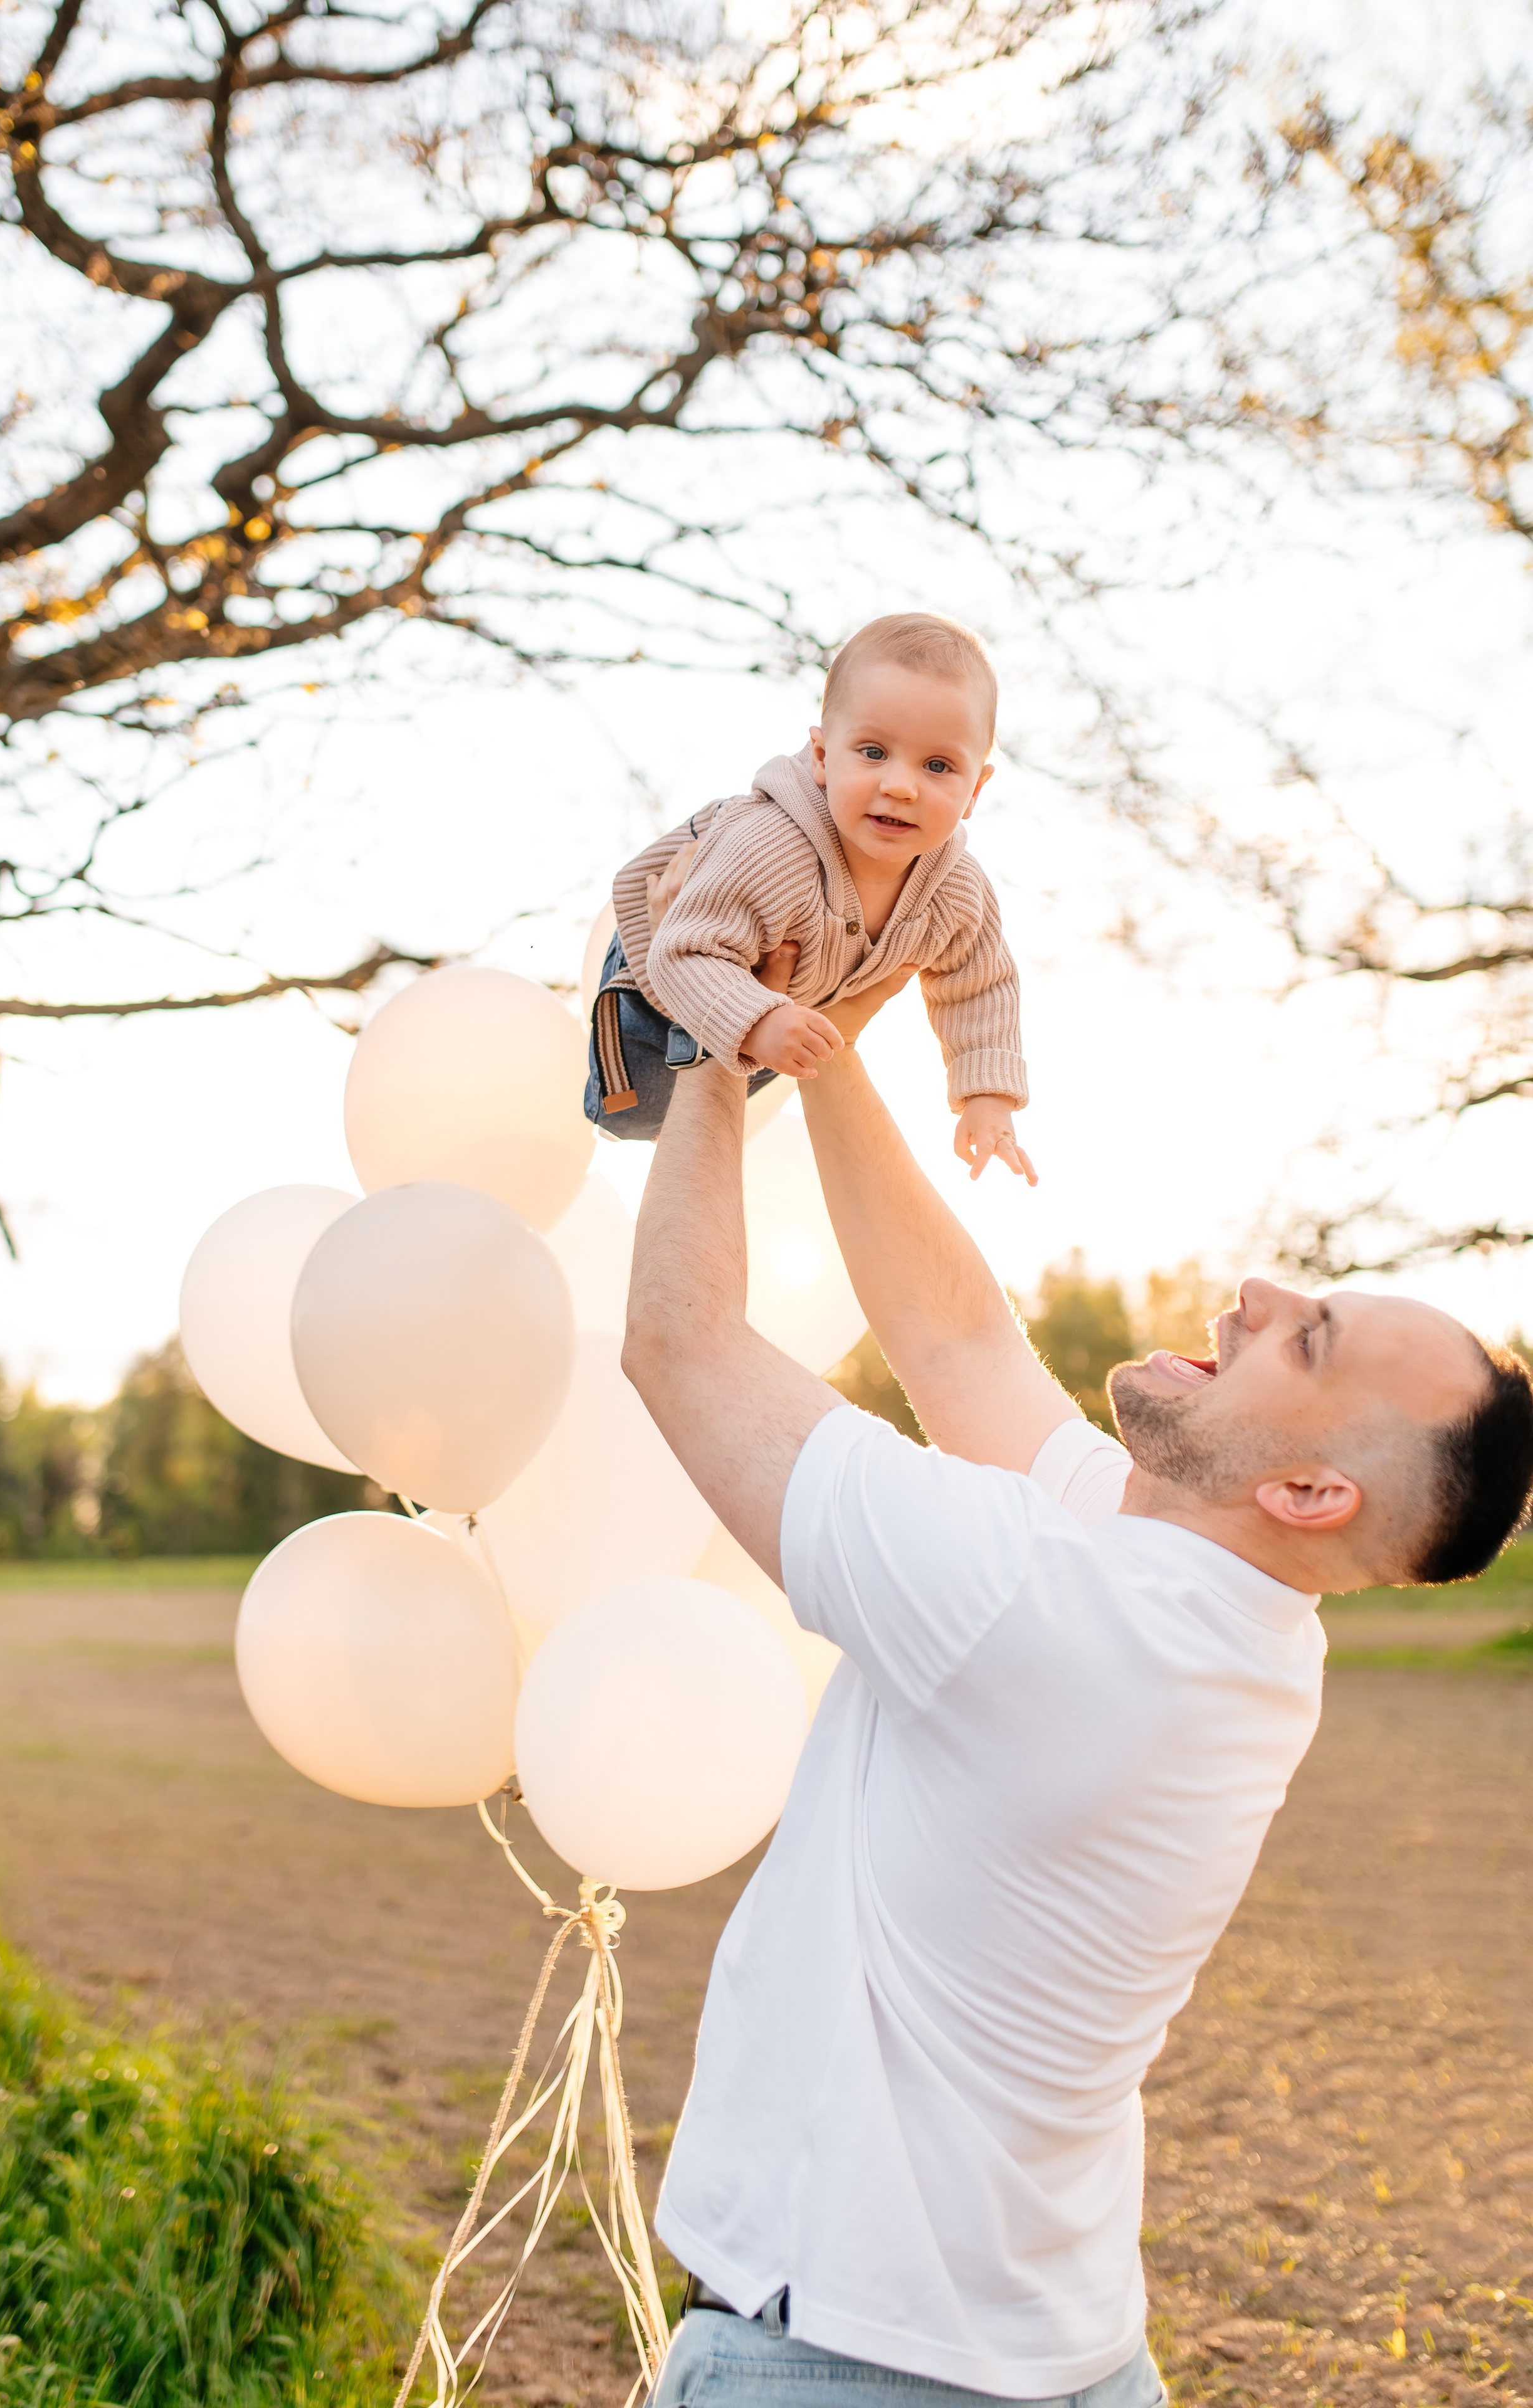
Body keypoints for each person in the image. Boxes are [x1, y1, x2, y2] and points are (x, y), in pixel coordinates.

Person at [619, 973, 1533, 2408]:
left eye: (1304, 1336)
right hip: (1062, 2351)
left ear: (1302, 1488)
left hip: (849, 2361)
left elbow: (679, 1349)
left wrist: (703, 1038)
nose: (1256, 1295)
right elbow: (956, 1341)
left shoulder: (1051, 1609)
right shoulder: (1217, 1610)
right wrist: (824, 1041)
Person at [586, 613, 1036, 1183]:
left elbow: (981, 982)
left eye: (938, 765)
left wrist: (987, 1097)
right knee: (634, 1111)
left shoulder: (956, 891)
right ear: (822, 757)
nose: (901, 785)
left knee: (725, 1127)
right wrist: (757, 1023)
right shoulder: (772, 849)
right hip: (670, 957)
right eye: (873, 752)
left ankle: (751, 1041)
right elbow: (684, 952)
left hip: (791, 1003)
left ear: (975, 789)